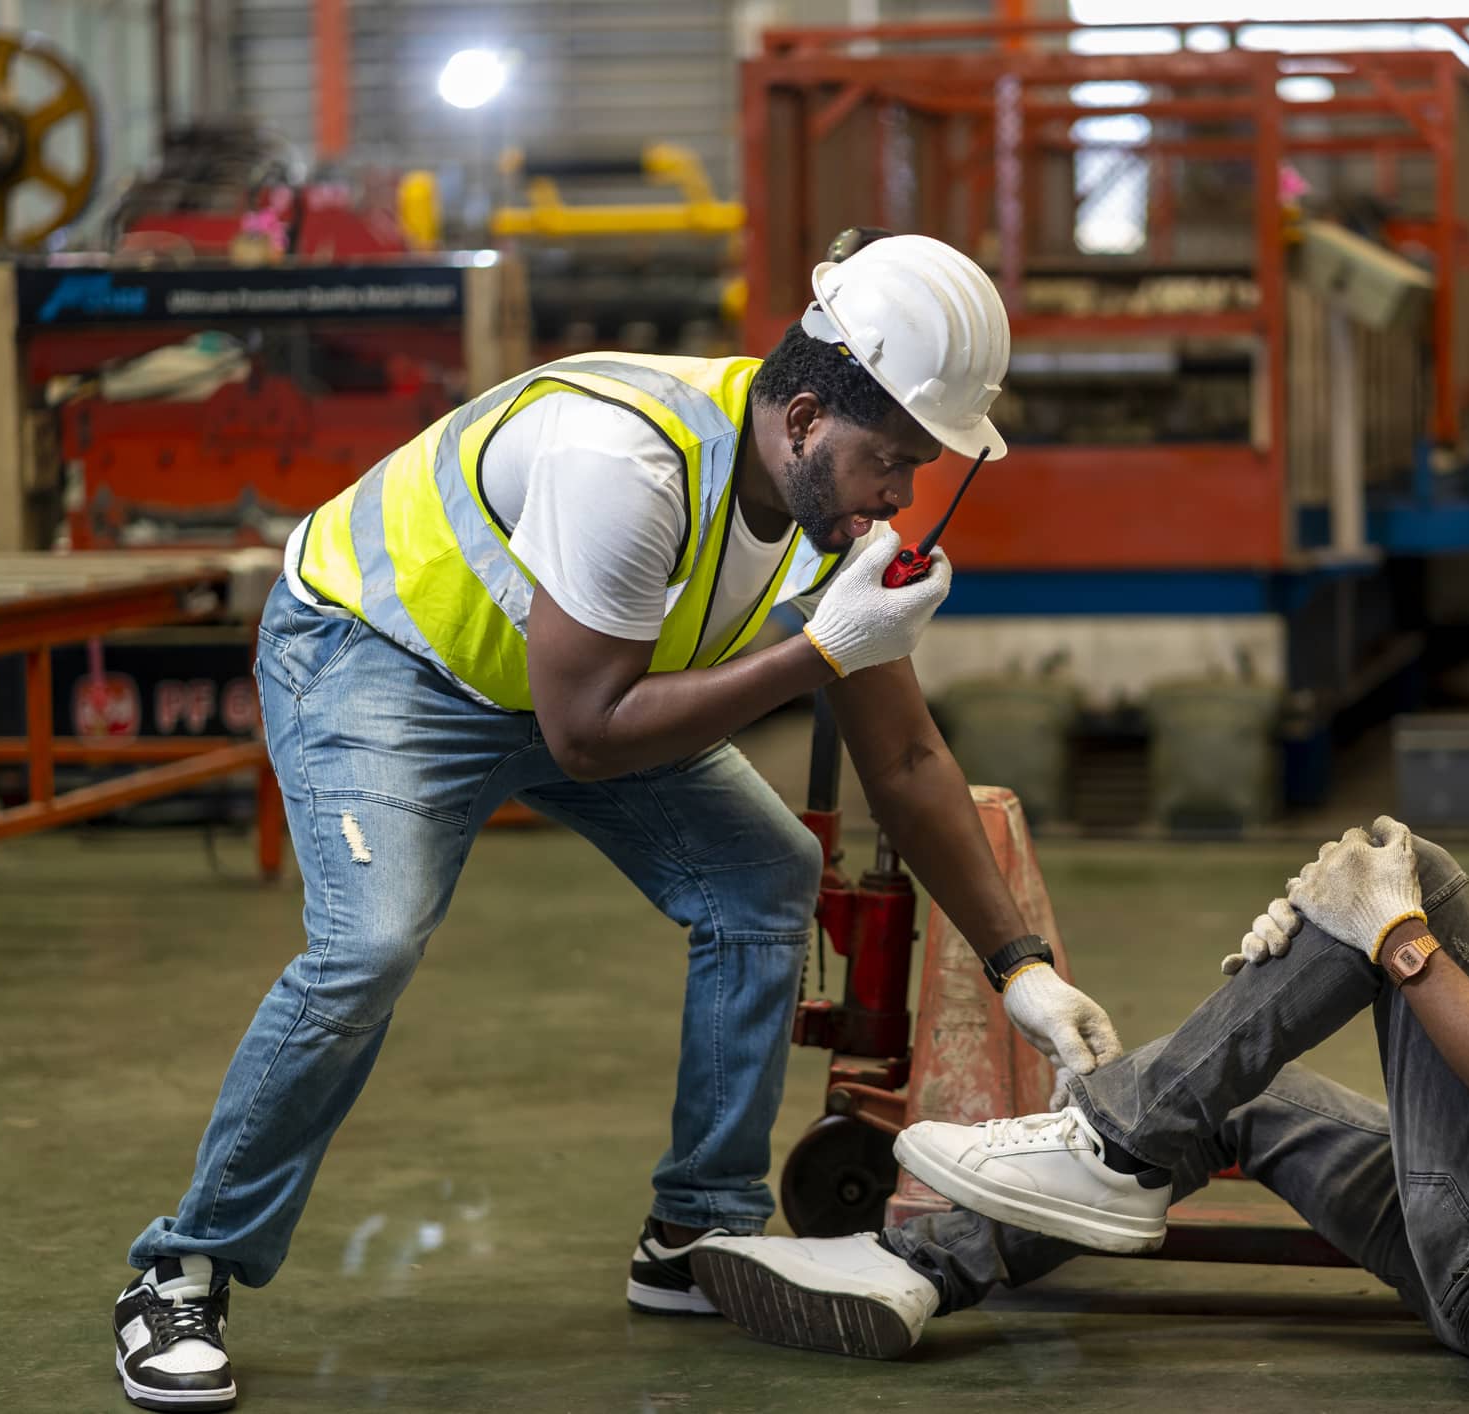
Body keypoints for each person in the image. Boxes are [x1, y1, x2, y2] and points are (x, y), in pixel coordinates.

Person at [109, 233, 1126, 1413]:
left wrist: (1023, 970)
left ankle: (696, 1232)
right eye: (889, 461)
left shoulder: (823, 509)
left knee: (764, 874)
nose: (899, 496)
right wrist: (814, 651)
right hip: (380, 656)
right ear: (803, 417)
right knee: (367, 946)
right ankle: (181, 1269)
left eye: (918, 467)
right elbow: (588, 735)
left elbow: (903, 754)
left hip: (565, 684)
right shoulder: (627, 462)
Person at [691, 692, 1469, 1385]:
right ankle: (926, 1269)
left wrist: (1394, 937)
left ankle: (1107, 1140)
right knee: (1255, 1082)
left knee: (1417, 876)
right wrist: (1361, 929)